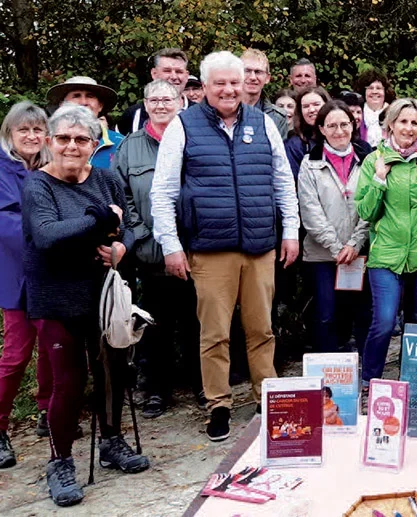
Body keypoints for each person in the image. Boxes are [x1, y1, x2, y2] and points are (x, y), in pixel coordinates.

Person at [151, 51, 301, 442]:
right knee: (214, 333)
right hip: (210, 248)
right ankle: (218, 405)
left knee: (262, 329)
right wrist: (171, 244)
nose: (229, 89)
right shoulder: (183, 126)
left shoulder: (264, 123)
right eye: (220, 83)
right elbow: (163, 191)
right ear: (204, 86)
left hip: (259, 245)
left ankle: (266, 397)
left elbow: (283, 181)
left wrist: (290, 231)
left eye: (234, 82)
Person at [22, 105, 150, 507]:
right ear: (48, 142)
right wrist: (98, 221)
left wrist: (120, 245)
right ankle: (60, 462)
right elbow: (47, 236)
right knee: (69, 380)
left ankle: (111, 441)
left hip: (103, 293)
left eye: (81, 140)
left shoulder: (108, 179)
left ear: (95, 145)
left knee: (113, 371)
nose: (72, 147)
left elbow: (125, 222)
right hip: (55, 296)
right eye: (63, 139)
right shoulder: (37, 187)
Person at [114, 80, 202, 418]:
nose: (161, 105)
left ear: (181, 102)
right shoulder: (130, 147)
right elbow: (121, 195)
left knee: (198, 322)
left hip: (195, 250)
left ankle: (202, 384)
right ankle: (157, 391)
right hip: (151, 253)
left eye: (168, 99)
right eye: (154, 99)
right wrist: (146, 233)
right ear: (145, 104)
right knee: (156, 327)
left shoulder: (195, 138)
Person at [354, 98, 417, 384]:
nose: (408, 128)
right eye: (403, 121)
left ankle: (410, 381)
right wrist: (379, 180)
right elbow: (366, 211)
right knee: (384, 322)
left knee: (416, 325)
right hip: (386, 255)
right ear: (391, 124)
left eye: (414, 123)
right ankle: (369, 380)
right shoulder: (375, 160)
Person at [0, 101, 52, 469]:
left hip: (52, 276)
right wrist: (53, 239)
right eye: (24, 130)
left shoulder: (52, 166)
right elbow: (7, 223)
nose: (32, 136)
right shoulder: (2, 169)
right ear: (10, 134)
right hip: (17, 275)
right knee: (16, 355)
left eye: (37, 129)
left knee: (53, 349)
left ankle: (48, 412)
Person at [298, 100, 372, 353]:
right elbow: (310, 212)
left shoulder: (368, 161)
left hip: (359, 253)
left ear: (353, 125)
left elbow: (372, 207)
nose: (339, 131)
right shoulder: (309, 164)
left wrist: (354, 244)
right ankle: (327, 375)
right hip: (321, 255)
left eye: (344, 124)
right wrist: (337, 247)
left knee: (361, 314)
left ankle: (366, 377)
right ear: (321, 128)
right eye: (332, 126)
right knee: (326, 315)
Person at [46, 76, 124, 169]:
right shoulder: (46, 142)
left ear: (100, 106)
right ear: (62, 105)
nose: (83, 102)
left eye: (90, 96)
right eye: (76, 95)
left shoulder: (121, 143)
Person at [117, 48, 193, 135]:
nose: (174, 76)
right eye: (167, 71)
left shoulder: (201, 113)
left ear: (186, 76)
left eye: (179, 71)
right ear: (154, 74)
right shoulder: (133, 115)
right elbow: (118, 146)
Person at [240, 48, 289, 136]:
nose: (253, 77)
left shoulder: (278, 118)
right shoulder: (221, 111)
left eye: (258, 72)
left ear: (267, 78)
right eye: (247, 71)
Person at [284, 86, 332, 175]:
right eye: (306, 106)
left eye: (316, 104)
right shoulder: (294, 145)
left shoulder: (340, 137)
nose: (311, 110)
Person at [354, 68, 394, 147]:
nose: (374, 91)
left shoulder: (394, 113)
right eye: (370, 88)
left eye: (378, 88)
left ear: (385, 91)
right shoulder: (357, 114)